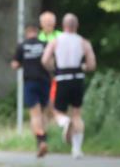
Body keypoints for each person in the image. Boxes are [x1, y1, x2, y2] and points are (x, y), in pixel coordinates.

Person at [41, 13, 96, 158]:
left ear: (63, 25)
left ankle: (65, 122)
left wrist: (54, 69)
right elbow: (91, 64)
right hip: (78, 78)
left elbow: (45, 60)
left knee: (57, 111)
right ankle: (77, 149)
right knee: (77, 114)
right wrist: (83, 67)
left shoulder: (56, 41)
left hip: (62, 78)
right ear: (77, 26)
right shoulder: (83, 42)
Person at [11, 24, 51, 157]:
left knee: (34, 114)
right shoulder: (44, 44)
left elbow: (15, 65)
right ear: (37, 32)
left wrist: (22, 63)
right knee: (43, 112)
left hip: (30, 82)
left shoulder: (22, 46)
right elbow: (50, 62)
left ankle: (40, 140)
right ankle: (44, 139)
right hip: (44, 81)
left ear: (27, 33)